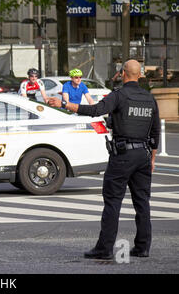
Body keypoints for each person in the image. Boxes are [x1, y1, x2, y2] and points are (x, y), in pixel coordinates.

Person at [48, 59, 161, 260]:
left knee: (113, 202)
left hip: (123, 156)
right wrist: (152, 159)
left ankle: (105, 248)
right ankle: (143, 247)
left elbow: (94, 110)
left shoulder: (119, 95)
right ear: (139, 75)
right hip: (143, 156)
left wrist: (64, 103)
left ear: (123, 73)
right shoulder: (149, 99)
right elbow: (155, 132)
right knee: (142, 202)